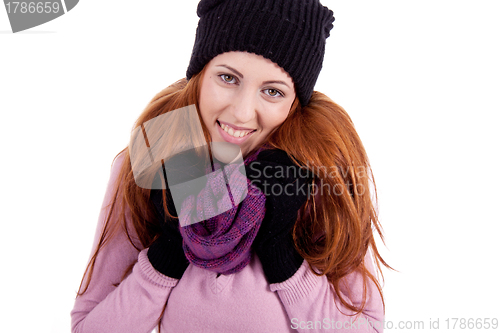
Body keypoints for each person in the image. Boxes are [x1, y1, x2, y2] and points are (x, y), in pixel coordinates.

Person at [71, 0, 390, 332]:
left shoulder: (320, 175)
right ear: (199, 74)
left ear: (295, 101)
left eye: (272, 91)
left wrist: (284, 257)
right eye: (227, 77)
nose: (241, 112)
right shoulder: (153, 157)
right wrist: (166, 255)